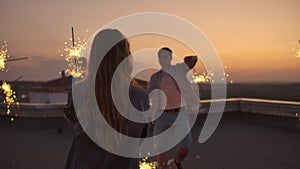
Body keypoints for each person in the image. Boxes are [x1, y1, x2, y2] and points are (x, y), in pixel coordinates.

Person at [65, 29, 149, 169]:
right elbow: (139, 139)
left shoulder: (78, 91)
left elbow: (77, 127)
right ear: (126, 57)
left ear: (94, 55)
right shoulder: (140, 97)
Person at [147, 47, 199, 169]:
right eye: (160, 57)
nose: (162, 59)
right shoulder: (155, 77)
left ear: (170, 58)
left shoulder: (179, 69)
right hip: (161, 115)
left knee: (186, 145)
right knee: (161, 148)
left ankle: (177, 162)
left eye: (165, 57)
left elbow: (193, 60)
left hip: (180, 113)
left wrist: (188, 60)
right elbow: (148, 93)